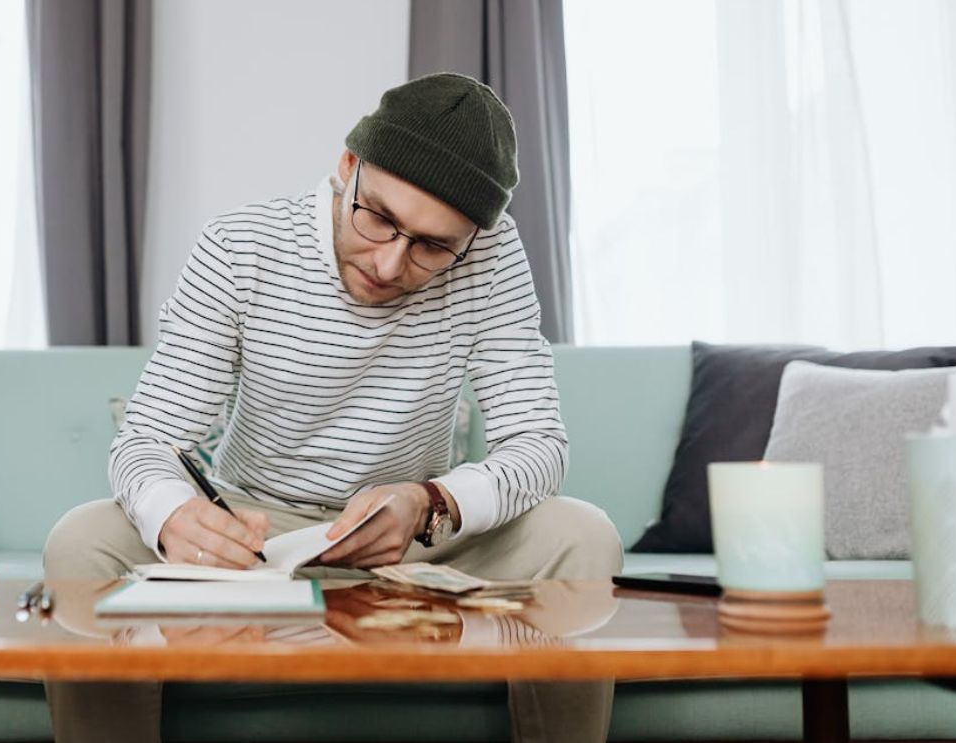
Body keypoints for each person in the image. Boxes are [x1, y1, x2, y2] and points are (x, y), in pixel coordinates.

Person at [43, 72, 623, 742]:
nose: (388, 264)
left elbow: (538, 446)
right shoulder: (240, 246)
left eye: (432, 246)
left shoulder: (491, 261)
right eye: (377, 218)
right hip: (257, 534)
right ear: (347, 167)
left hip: (413, 538)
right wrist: (175, 515)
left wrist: (427, 502)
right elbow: (147, 437)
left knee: (583, 534)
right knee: (80, 539)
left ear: (468, 239)